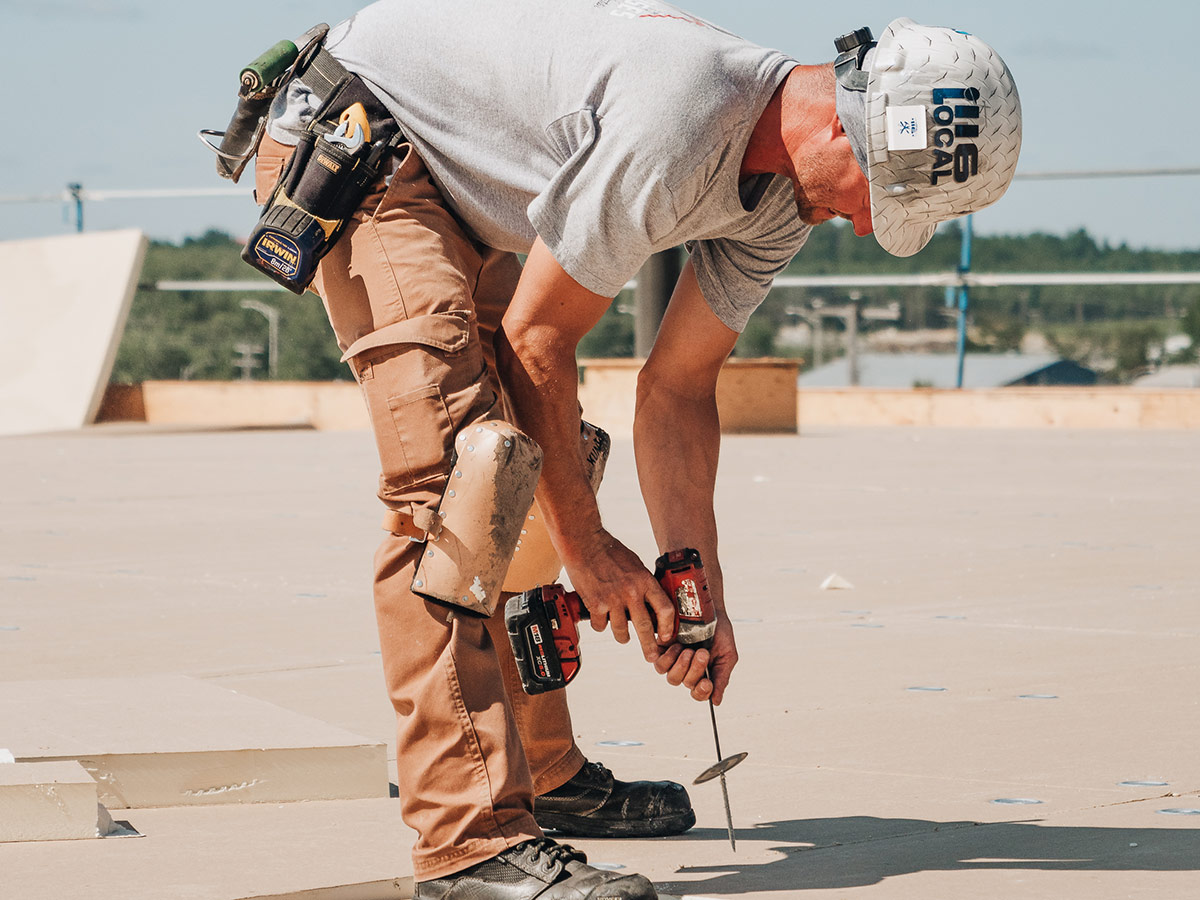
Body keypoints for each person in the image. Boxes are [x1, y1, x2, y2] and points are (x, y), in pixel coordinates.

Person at [247, 3, 1021, 898]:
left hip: (468, 184)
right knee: (465, 484)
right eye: (874, 201)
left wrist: (699, 589)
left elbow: (679, 387)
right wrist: (588, 550)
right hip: (367, 136)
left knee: (550, 457)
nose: (858, 225)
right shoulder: (682, 116)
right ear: (849, 135)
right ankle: (469, 847)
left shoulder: (779, 202)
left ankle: (541, 768)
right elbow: (540, 342)